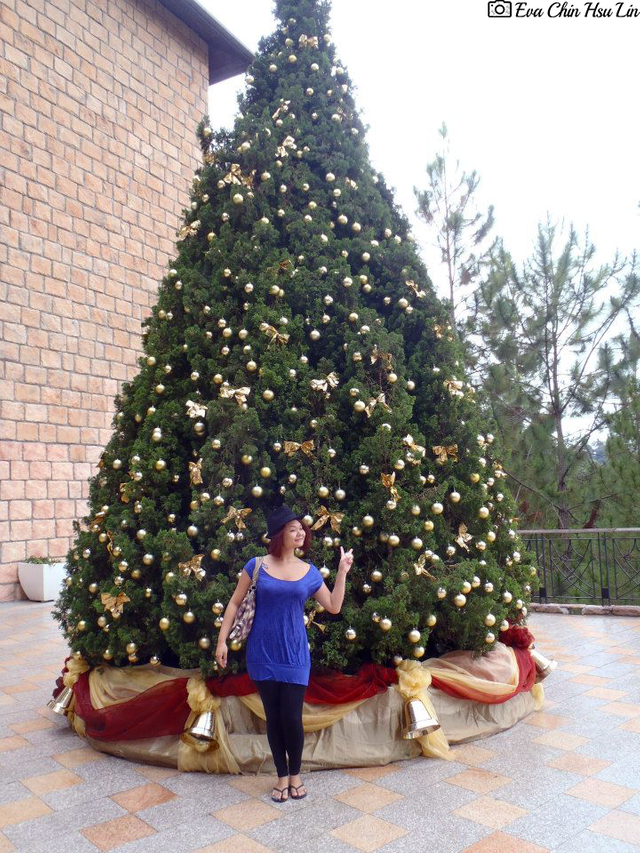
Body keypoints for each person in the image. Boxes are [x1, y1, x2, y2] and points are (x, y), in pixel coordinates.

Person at [215, 505, 353, 802]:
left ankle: (296, 775)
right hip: (262, 653)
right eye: (293, 529)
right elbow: (234, 604)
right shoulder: (256, 566)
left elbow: (333, 606)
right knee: (274, 717)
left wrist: (341, 572)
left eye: (302, 528)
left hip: (294, 655)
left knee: (292, 717)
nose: (301, 532)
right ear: (279, 535)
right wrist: (221, 641)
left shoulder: (309, 572)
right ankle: (280, 777)